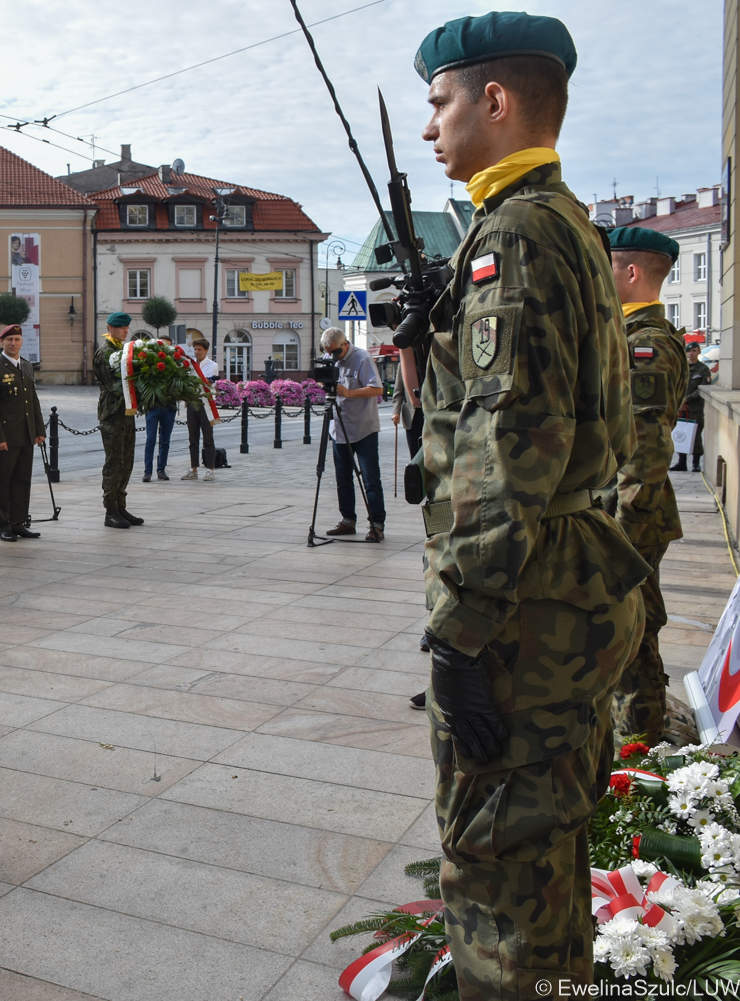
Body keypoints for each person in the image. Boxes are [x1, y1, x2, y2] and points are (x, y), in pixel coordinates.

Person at [414, 15, 649, 996]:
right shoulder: (563, 221)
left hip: (523, 613)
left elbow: (511, 442)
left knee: (499, 862)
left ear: (495, 100)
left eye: (441, 102)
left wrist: (461, 627)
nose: (431, 128)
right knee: (542, 854)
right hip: (566, 588)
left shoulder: (512, 236)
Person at [601, 227, 689, 745]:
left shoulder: (645, 346)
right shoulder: (632, 336)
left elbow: (647, 450)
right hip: (626, 511)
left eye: (608, 266)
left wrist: (621, 537)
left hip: (632, 517)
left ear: (631, 272)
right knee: (628, 630)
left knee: (632, 634)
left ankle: (641, 749)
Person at [320, 326, 386, 542]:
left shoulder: (362, 358)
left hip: (363, 428)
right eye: (327, 351)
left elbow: (377, 389)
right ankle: (348, 520)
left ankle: (376, 524)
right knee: (342, 479)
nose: (331, 356)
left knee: (370, 479)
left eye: (334, 352)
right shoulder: (330, 356)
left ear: (344, 344)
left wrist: (348, 393)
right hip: (338, 428)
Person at [0, 323, 45, 541]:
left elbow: (33, 402)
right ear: (2, 342)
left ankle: (18, 523)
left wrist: (39, 430)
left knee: (22, 481)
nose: (13, 343)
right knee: (3, 482)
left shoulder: (27, 367)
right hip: (5, 439)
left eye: (17, 340)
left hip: (26, 435)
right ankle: (2, 525)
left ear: (21, 342)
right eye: (9, 340)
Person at [94, 313, 143, 529]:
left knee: (127, 461)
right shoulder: (106, 353)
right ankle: (110, 510)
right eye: (121, 327)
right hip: (112, 413)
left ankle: (121, 506)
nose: (125, 331)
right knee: (115, 462)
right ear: (110, 328)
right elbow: (114, 384)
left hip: (127, 413)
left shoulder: (123, 351)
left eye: (126, 327)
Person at [181, 338, 219, 481]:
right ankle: (193, 469)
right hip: (192, 401)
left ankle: (210, 469)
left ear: (206, 350)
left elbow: (207, 381)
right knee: (193, 437)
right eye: (195, 349)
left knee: (208, 437)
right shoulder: (190, 364)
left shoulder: (212, 365)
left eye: (199, 350)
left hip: (206, 403)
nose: (197, 352)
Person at [673, 341, 711, 472]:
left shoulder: (703, 369)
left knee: (696, 435)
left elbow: (703, 389)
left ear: (699, 352)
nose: (691, 354)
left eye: (694, 351)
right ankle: (681, 462)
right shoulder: (680, 368)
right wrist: (679, 401)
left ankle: (695, 463)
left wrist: (686, 399)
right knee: (680, 433)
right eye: (689, 351)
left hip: (695, 408)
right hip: (680, 408)